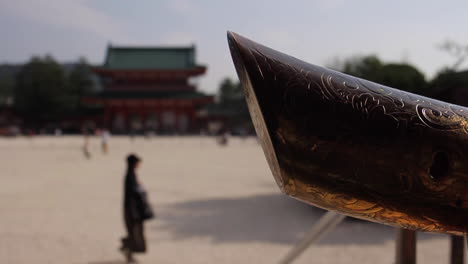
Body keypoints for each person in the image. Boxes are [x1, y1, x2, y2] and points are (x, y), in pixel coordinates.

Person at [120, 154, 154, 263]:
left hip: (132, 210)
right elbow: (133, 196)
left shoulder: (131, 175)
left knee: (134, 233)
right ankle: (127, 251)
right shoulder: (130, 177)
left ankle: (127, 252)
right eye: (138, 162)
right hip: (132, 211)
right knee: (134, 233)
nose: (139, 164)